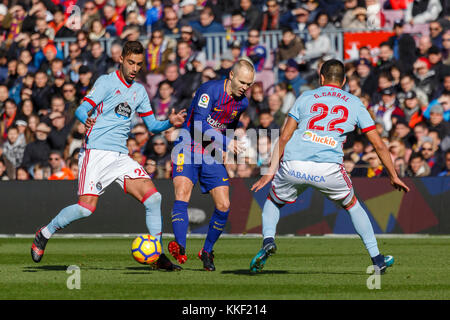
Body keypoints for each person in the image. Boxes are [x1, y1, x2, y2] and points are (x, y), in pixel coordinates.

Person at [30, 41, 187, 271]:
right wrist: (87, 119)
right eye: (131, 62)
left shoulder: (140, 91)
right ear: (121, 59)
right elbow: (81, 109)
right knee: (85, 209)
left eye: (139, 64)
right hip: (95, 153)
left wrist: (168, 123)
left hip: (120, 156)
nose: (134, 68)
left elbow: (152, 125)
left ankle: (157, 256)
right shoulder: (106, 82)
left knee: (154, 198)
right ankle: (44, 233)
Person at [249, 59, 410, 274]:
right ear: (343, 81)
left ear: (321, 78)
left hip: (294, 163)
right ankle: (377, 259)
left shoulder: (305, 97)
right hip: (328, 168)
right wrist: (393, 175)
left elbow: (285, 136)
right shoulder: (354, 102)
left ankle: (268, 240)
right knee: (352, 205)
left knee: (273, 201)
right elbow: (378, 144)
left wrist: (270, 172)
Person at [168, 58, 255, 271]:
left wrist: (224, 148)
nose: (245, 88)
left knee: (224, 205)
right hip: (188, 146)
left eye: (249, 84)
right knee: (182, 193)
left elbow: (228, 126)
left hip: (211, 151)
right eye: (243, 82)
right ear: (232, 76)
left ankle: (206, 251)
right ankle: (179, 247)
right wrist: (226, 143)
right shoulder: (209, 90)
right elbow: (198, 125)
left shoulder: (242, 102)